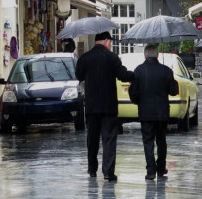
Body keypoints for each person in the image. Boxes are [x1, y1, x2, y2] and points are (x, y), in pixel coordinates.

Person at [75, 31, 134, 181]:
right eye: (110, 42)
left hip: (91, 106)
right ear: (106, 41)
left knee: (92, 138)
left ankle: (92, 170)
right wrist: (136, 74)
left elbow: (78, 75)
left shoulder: (85, 58)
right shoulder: (112, 58)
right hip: (108, 106)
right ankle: (108, 172)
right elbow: (123, 75)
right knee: (109, 139)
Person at [128, 44, 179, 180]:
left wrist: (139, 102)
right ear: (157, 55)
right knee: (161, 140)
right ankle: (161, 168)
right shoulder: (166, 70)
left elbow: (133, 93)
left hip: (145, 112)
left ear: (145, 55)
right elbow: (173, 91)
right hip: (162, 113)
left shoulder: (138, 70)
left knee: (148, 141)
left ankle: (151, 170)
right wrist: (174, 82)